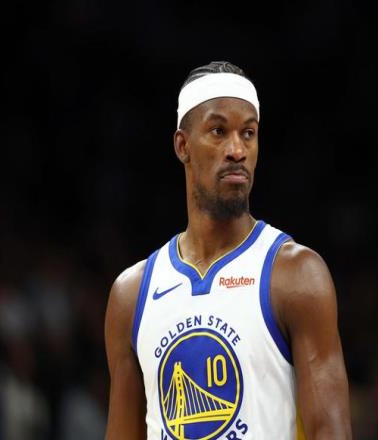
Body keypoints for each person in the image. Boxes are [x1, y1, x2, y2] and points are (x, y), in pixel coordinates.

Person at [104, 61, 352, 440]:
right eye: (219, 131)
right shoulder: (131, 294)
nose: (237, 150)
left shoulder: (296, 275)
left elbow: (331, 431)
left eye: (248, 133)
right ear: (183, 146)